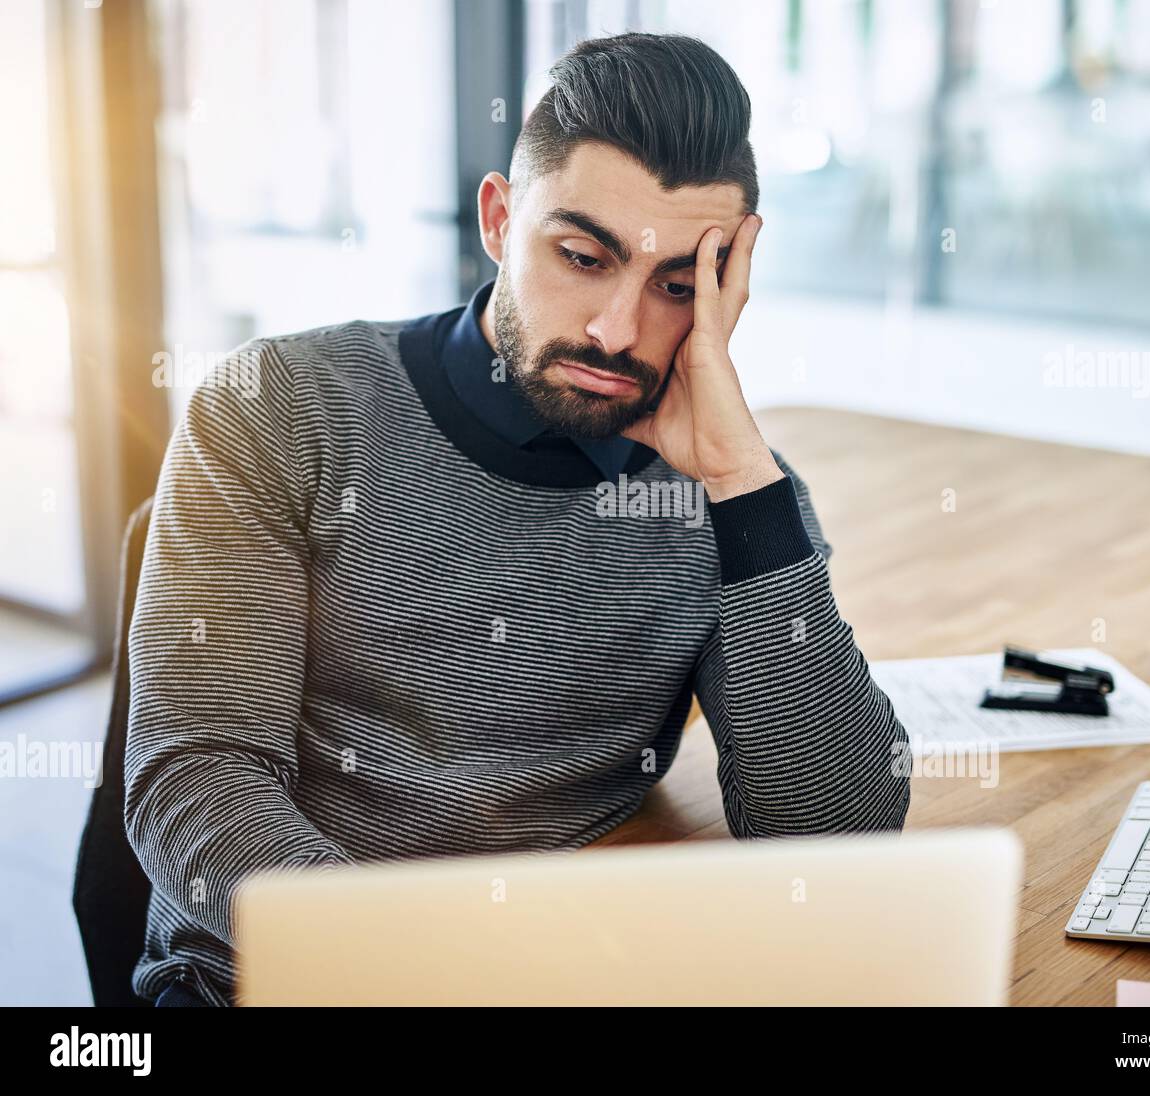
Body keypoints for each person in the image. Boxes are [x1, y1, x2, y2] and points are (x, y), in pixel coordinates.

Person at [125, 31, 911, 1008]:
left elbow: (837, 842)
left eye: (675, 287)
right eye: (582, 256)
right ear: (499, 218)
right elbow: (195, 782)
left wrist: (745, 487)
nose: (616, 330)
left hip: (578, 965)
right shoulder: (275, 407)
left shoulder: (727, 490)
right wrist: (435, 973)